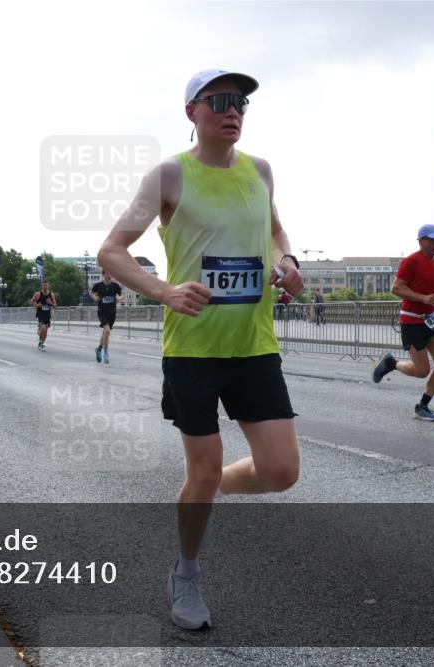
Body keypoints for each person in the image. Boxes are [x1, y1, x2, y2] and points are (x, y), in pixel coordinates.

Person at [97, 69, 304, 631]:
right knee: (203, 466)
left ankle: (204, 493)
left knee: (283, 471)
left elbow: (278, 233)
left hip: (254, 345)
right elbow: (111, 252)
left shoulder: (260, 172)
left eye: (240, 102)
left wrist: (288, 263)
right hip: (192, 350)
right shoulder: (169, 175)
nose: (233, 110)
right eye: (220, 101)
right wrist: (164, 290)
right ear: (192, 111)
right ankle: (186, 570)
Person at [372, 223, 434, 421]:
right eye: (432, 239)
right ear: (421, 241)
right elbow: (396, 289)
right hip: (412, 321)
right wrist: (422, 298)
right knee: (422, 371)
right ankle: (391, 363)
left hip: (433, 321)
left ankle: (423, 406)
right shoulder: (411, 261)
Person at [91, 270, 123, 363]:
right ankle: (105, 352)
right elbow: (91, 292)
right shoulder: (99, 286)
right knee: (107, 330)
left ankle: (99, 349)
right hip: (102, 312)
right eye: (107, 274)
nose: (109, 276)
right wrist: (94, 297)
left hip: (112, 312)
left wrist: (118, 299)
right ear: (103, 275)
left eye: (110, 274)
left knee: (105, 332)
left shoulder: (115, 286)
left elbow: (121, 295)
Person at [30, 281, 57, 350]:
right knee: (43, 328)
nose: (45, 287)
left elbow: (55, 306)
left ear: (48, 286)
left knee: (45, 331)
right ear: (41, 286)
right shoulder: (38, 294)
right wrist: (37, 305)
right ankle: (40, 341)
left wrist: (50, 303)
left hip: (47, 315)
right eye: (43, 285)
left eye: (46, 285)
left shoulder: (51, 295)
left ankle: (42, 343)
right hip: (40, 314)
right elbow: (32, 302)